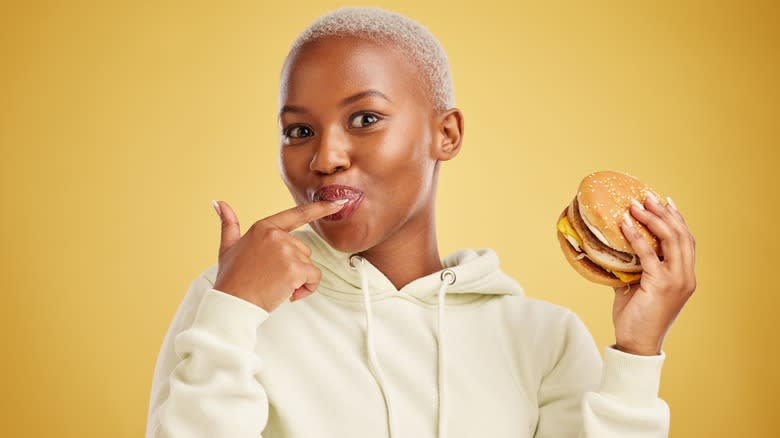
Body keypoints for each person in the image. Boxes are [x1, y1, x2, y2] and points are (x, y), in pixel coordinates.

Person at [145, 6, 696, 438]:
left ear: (446, 135)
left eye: (365, 119)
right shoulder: (234, 304)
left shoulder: (541, 340)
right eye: (298, 131)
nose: (326, 157)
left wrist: (638, 354)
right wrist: (232, 314)